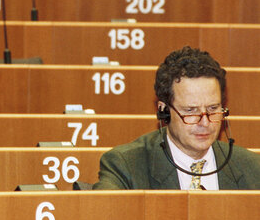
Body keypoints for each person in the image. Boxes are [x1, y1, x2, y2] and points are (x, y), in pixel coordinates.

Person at [93, 46, 260, 190]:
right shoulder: (126, 166)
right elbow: (104, 219)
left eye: (213, 109)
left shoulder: (253, 168)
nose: (205, 122)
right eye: (190, 111)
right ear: (164, 111)